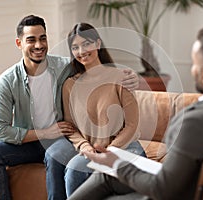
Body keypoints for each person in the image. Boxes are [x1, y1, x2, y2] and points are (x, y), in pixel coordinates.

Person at [68, 25, 203, 200]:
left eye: (194, 64)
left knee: (108, 173)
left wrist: (116, 164)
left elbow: (161, 189)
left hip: (176, 193)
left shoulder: (193, 123)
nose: (192, 69)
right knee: (105, 177)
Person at [0, 15, 139, 200]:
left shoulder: (65, 67)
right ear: (19, 43)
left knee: (57, 157)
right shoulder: (7, 81)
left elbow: (94, 70)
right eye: (31, 40)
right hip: (29, 141)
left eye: (43, 38)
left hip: (59, 140)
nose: (39, 45)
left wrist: (132, 77)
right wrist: (44, 133)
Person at [61, 23, 146, 197]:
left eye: (86, 44)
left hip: (125, 148)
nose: (82, 51)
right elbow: (70, 126)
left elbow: (132, 124)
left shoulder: (121, 77)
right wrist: (84, 146)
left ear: (98, 44)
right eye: (75, 47)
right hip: (91, 152)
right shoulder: (69, 85)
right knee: (73, 170)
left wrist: (109, 151)